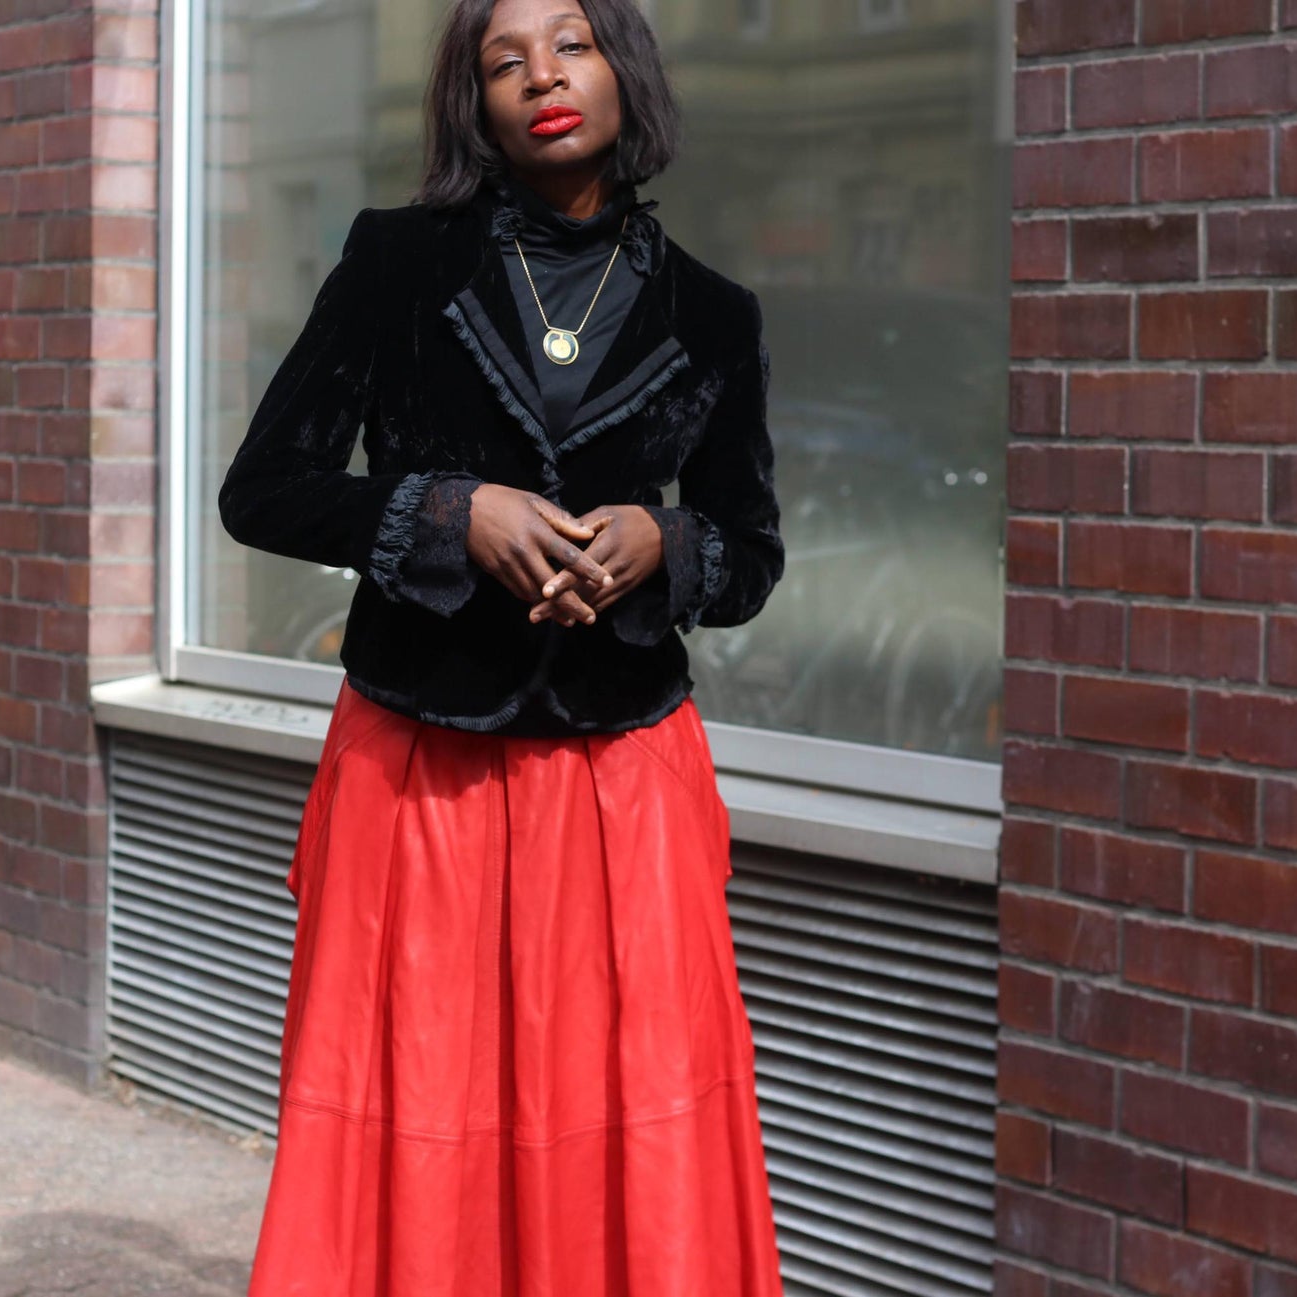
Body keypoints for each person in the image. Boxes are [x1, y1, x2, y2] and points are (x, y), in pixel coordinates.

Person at [222, 0, 788, 1292]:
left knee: (631, 1111)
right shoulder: (393, 266)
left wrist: (663, 542)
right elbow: (260, 490)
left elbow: (749, 555)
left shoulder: (716, 314)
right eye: (501, 59)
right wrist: (440, 508)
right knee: (418, 1102)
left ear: (621, 70)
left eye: (570, 44)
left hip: (624, 786)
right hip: (420, 771)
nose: (541, 75)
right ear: (469, 101)